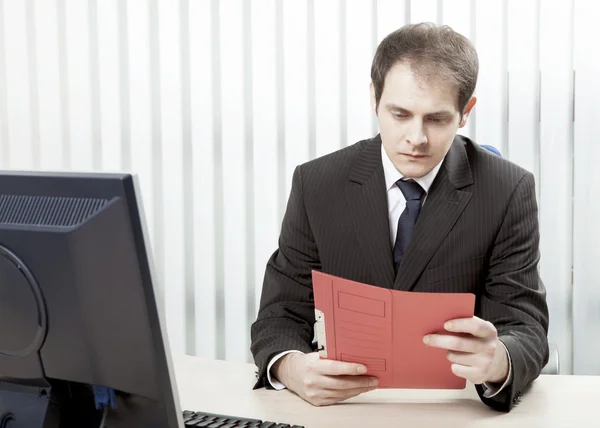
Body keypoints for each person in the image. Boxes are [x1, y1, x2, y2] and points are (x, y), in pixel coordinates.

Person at [250, 22, 549, 412]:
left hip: (452, 409)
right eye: (400, 113)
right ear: (374, 99)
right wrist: (290, 368)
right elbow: (280, 311)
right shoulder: (317, 184)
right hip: (344, 409)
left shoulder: (507, 190)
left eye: (437, 119)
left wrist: (499, 361)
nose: (416, 137)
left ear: (465, 113)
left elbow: (525, 325)